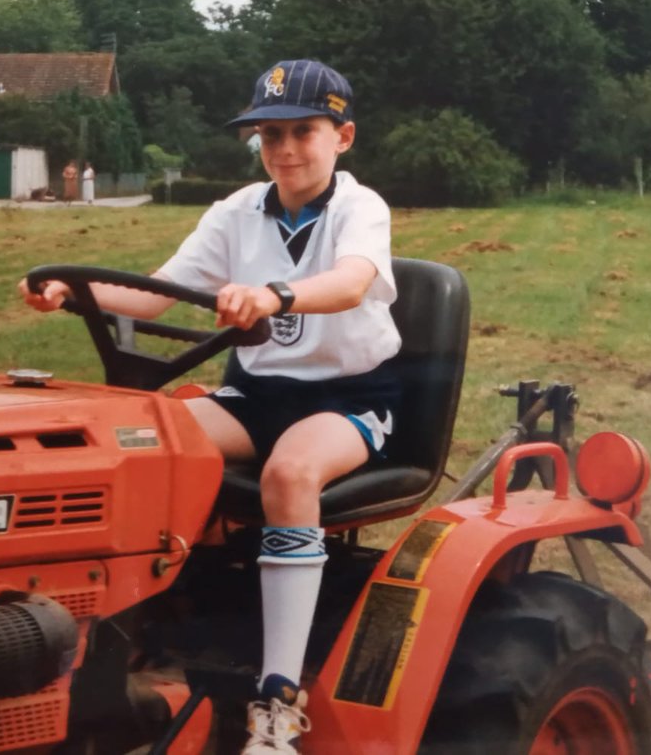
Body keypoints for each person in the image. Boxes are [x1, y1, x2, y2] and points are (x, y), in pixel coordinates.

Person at [20, 59, 401, 753]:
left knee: (290, 474)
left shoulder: (359, 207)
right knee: (138, 438)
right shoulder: (236, 211)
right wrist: (72, 293)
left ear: (342, 137)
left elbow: (351, 284)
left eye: (302, 132)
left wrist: (276, 295)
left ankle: (278, 702)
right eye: (268, 135)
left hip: (346, 397)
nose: (284, 149)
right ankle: (115, 643)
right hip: (256, 394)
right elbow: (157, 293)